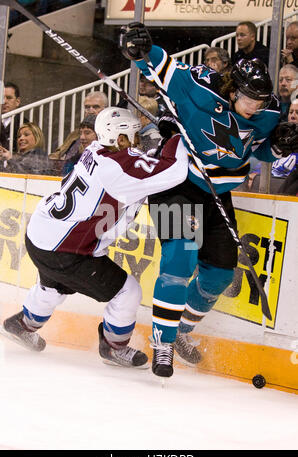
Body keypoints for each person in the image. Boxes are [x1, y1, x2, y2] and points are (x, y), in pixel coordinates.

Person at [119, 22, 298, 378]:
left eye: (260, 101)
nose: (254, 107)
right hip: (175, 187)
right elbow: (158, 65)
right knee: (179, 261)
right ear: (234, 91)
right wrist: (139, 47)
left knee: (218, 275)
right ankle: (163, 343)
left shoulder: (269, 111)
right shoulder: (200, 87)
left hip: (218, 194)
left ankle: (181, 331)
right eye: (249, 99)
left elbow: (256, 149)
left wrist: (276, 148)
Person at [1, 106, 189, 369]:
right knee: (128, 291)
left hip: (41, 236)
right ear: (119, 138)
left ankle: (21, 324)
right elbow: (175, 171)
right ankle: (113, 347)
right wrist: (178, 136)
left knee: (55, 285)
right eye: (133, 135)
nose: (137, 139)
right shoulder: (120, 170)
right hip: (66, 250)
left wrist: (152, 145)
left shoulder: (94, 150)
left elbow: (133, 160)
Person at [49, 90, 108, 169]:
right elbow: (58, 153)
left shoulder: (109, 134)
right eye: (87, 107)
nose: (91, 110)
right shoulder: (75, 133)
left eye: (96, 107)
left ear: (106, 109)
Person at [2, 82, 28, 152]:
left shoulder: (25, 124)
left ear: (17, 101)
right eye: (1, 98)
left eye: (9, 98)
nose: (4, 101)